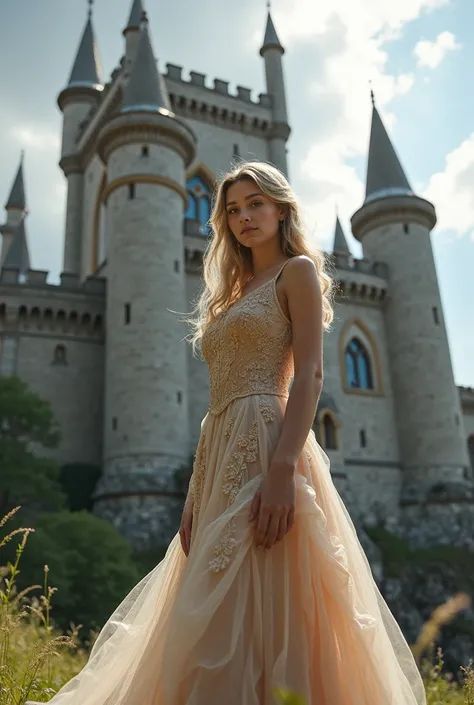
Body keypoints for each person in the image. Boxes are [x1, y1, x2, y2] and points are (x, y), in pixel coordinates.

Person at [30, 161, 427, 705]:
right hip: (218, 451)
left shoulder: (298, 273)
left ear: (281, 208)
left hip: (271, 441)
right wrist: (193, 496)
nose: (244, 217)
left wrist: (284, 470)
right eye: (233, 209)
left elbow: (310, 374)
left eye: (255, 203)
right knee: (211, 598)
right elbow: (214, 407)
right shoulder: (230, 293)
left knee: (274, 586)